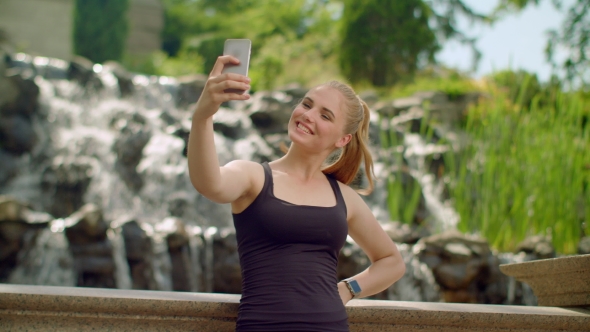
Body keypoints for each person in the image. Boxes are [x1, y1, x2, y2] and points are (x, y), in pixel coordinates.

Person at [188, 55, 405, 331]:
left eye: (325, 115)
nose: (308, 115)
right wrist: (203, 115)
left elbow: (392, 262)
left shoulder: (344, 197)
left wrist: (348, 289)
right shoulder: (254, 177)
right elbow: (209, 183)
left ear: (343, 139)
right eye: (307, 104)